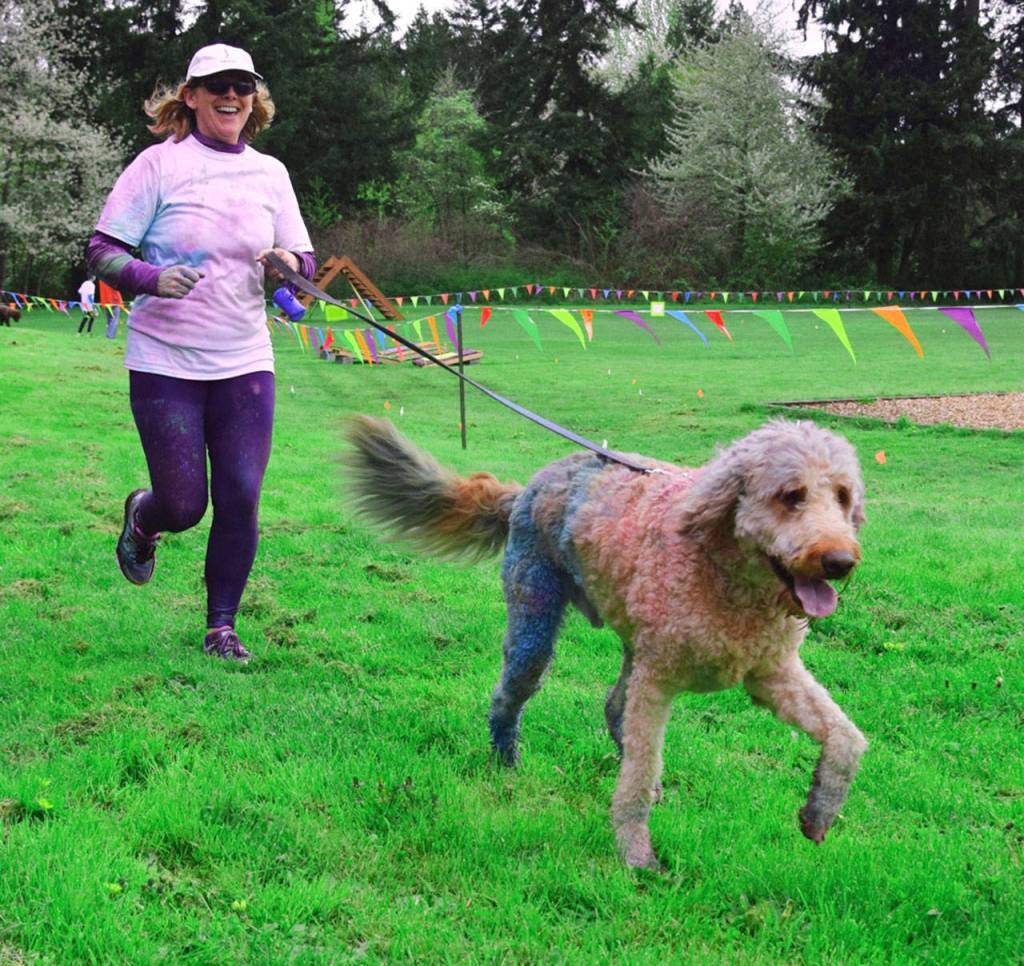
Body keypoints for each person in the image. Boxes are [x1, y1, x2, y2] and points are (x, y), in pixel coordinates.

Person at [87, 43, 317, 662]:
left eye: (243, 85)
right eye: (217, 85)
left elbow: (305, 260)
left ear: (255, 99)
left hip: (245, 358)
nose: (232, 95)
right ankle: (145, 517)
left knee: (240, 493)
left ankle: (221, 628)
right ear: (190, 96)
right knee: (185, 505)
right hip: (166, 359)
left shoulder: (271, 174)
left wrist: (288, 266)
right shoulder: (159, 166)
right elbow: (103, 249)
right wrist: (148, 277)